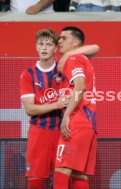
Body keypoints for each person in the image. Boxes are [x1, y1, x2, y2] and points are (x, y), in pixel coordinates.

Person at [20, 28, 99, 189]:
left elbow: (96, 48)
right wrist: (56, 105)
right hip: (41, 129)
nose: (44, 48)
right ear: (36, 47)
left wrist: (69, 54)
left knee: (70, 172)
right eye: (41, 44)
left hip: (64, 127)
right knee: (36, 176)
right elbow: (29, 109)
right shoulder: (29, 74)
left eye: (49, 44)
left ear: (55, 48)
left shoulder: (64, 65)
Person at [53, 26, 99, 189]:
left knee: (61, 169)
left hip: (77, 121)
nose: (59, 41)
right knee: (79, 174)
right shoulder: (82, 59)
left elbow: (80, 87)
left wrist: (67, 116)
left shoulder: (73, 60)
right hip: (88, 123)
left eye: (64, 38)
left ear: (76, 43)